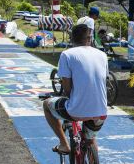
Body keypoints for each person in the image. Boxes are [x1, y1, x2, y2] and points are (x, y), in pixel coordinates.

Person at [44, 23, 109, 153]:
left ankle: (64, 144)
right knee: (90, 139)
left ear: (72, 39)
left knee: (47, 105)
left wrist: (72, 97)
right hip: (101, 113)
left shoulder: (67, 55)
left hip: (76, 111)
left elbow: (67, 88)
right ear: (89, 39)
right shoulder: (102, 55)